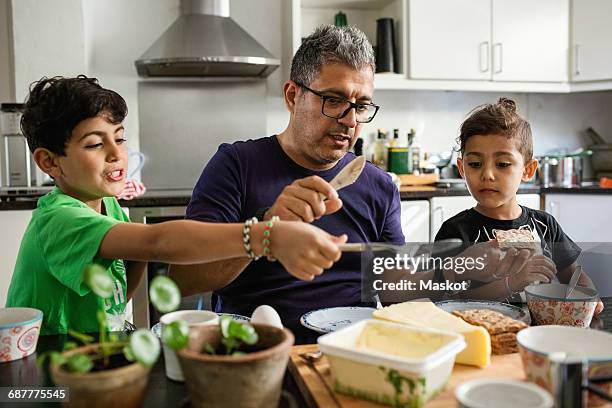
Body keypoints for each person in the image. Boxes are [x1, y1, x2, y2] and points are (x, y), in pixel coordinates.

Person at [5, 75, 347, 335]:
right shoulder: (60, 218)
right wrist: (264, 236)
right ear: (49, 162)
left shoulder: (107, 206)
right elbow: (159, 242)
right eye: (95, 144)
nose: (116, 153)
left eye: (120, 138)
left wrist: (136, 245)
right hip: (44, 364)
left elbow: (117, 297)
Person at [169, 25, 405, 340]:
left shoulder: (378, 185)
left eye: (361, 106)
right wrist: (267, 228)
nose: (350, 120)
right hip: (256, 350)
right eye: (333, 100)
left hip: (353, 350)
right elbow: (182, 279)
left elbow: (397, 295)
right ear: (292, 96)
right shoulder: (236, 165)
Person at [435, 98, 604, 314]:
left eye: (503, 164)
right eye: (475, 164)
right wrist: (514, 282)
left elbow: (574, 274)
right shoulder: (454, 231)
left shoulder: (544, 225)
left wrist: (589, 299)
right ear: (461, 168)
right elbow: (455, 299)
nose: (487, 174)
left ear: (528, 170)